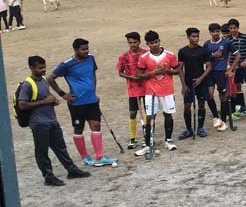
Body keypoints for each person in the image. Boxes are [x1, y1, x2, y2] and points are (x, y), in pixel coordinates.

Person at [18, 56, 92, 185]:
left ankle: (71, 170)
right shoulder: (27, 85)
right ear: (31, 68)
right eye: (40, 68)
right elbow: (22, 105)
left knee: (61, 147)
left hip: (51, 120)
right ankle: (48, 177)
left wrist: (52, 102)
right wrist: (45, 101)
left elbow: (45, 97)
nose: (43, 70)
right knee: (42, 151)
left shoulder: (44, 81)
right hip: (39, 123)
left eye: (44, 67)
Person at [46, 38, 116, 166]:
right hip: (77, 103)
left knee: (96, 126)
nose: (86, 51)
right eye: (83, 49)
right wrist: (63, 94)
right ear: (75, 49)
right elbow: (50, 78)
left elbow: (93, 75)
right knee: (79, 128)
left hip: (91, 101)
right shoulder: (66, 64)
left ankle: (100, 157)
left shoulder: (91, 59)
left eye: (87, 48)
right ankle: (85, 157)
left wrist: (93, 93)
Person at [134, 30, 180, 156]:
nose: (154, 45)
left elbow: (177, 70)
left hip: (167, 90)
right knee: (150, 116)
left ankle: (168, 140)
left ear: (159, 41)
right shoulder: (144, 58)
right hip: (151, 92)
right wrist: (153, 73)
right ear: (147, 44)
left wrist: (166, 70)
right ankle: (148, 143)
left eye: (156, 42)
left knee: (168, 114)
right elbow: (139, 75)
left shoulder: (169, 55)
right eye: (151, 43)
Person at [177, 27, 212, 140]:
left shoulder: (203, 50)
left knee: (201, 104)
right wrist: (183, 85)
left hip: (201, 82)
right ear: (188, 37)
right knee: (187, 106)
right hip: (188, 82)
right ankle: (189, 130)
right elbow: (180, 69)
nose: (196, 39)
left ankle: (200, 128)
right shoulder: (182, 51)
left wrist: (201, 79)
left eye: (197, 36)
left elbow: (209, 66)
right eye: (193, 36)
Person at [116, 31, 148, 148]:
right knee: (133, 113)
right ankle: (133, 138)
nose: (133, 45)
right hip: (133, 89)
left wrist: (143, 76)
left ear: (139, 42)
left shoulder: (146, 54)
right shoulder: (124, 57)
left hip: (146, 87)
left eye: (135, 42)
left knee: (147, 112)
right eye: (130, 43)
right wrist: (131, 77)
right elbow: (120, 72)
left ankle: (147, 136)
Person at [203, 23, 232, 131]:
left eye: (217, 31)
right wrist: (212, 56)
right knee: (209, 94)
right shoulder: (206, 44)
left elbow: (237, 55)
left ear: (219, 31)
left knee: (222, 96)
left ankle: (223, 120)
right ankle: (216, 116)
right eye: (213, 32)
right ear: (210, 32)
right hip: (210, 72)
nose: (215, 34)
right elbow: (204, 58)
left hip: (221, 72)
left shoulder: (226, 43)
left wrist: (229, 69)